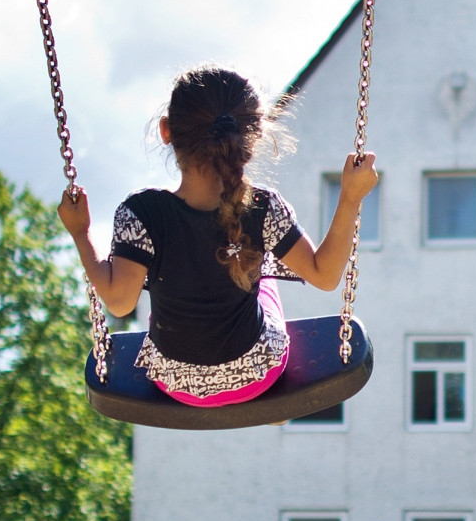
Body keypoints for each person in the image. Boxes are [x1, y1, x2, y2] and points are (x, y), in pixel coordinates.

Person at [59, 65, 378, 407]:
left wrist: (81, 233)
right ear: (251, 140)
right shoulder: (263, 207)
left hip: (174, 382)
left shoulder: (140, 212)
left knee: (184, 277)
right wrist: (350, 197)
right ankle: (275, 408)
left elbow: (119, 301)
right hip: (258, 375)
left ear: (166, 131)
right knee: (259, 269)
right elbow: (326, 276)